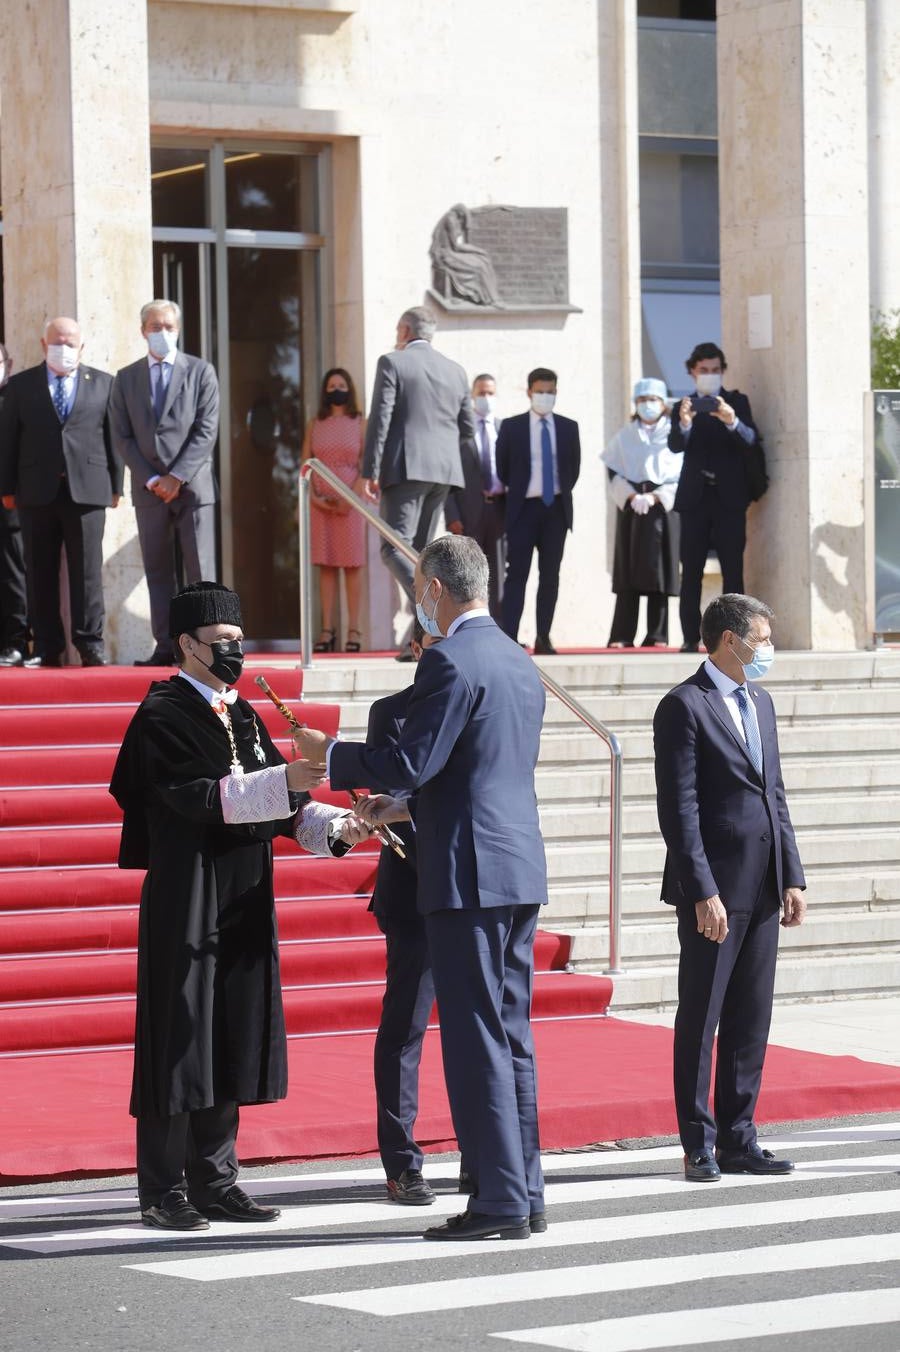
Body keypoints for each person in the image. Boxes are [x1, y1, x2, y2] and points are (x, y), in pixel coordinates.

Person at [294, 535, 549, 1241]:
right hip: (515, 864)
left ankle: (498, 1200)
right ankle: (523, 1189)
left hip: (467, 873)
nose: (417, 603)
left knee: (475, 1040)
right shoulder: (517, 660)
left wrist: (332, 756)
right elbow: (473, 772)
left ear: (435, 589)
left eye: (417, 590)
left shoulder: (449, 659)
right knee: (513, 1036)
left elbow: (411, 756)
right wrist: (400, 806)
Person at [109, 580, 371, 1230]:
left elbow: (283, 807)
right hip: (188, 888)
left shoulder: (246, 715)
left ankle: (217, 1177)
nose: (233, 653)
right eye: (220, 643)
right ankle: (162, 1187)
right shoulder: (163, 713)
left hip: (244, 889)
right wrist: (283, 782)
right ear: (185, 646)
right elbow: (196, 795)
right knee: (181, 1034)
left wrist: (342, 825)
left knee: (231, 1027)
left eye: (238, 641)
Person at [653, 593, 807, 1183]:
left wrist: (792, 874)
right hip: (713, 890)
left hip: (764, 883)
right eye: (761, 639)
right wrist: (702, 890)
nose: (767, 649)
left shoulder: (760, 702)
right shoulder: (684, 706)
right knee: (702, 1016)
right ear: (728, 640)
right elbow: (680, 809)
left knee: (751, 1017)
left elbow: (776, 794)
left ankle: (740, 1137)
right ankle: (699, 1142)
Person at [0, 317, 120, 668]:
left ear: (81, 347)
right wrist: (7, 489)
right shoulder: (21, 386)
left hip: (88, 491)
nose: (64, 348)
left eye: (70, 343)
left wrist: (115, 486)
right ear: (43, 344)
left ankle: (89, 644)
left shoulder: (103, 384)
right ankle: (47, 645)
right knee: (39, 570)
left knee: (87, 572)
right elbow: (9, 442)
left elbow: (112, 439)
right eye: (57, 342)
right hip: (35, 493)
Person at [365, 618, 437, 1206]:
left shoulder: (478, 700)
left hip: (475, 890)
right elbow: (385, 783)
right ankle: (402, 1160)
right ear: (416, 649)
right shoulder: (390, 711)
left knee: (480, 1030)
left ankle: (486, 1156)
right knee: (405, 1029)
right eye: (435, 646)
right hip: (412, 891)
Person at [360, 306, 475, 657]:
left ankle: (438, 611)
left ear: (404, 329)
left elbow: (381, 417)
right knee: (422, 556)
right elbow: (467, 428)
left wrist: (370, 470)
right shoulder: (456, 370)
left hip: (406, 468)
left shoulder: (393, 362)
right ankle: (421, 644)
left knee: (394, 547)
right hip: (444, 471)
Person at [110, 300, 219, 666]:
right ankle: (166, 646)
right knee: (158, 572)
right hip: (149, 488)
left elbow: (207, 429)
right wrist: (154, 478)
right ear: (143, 331)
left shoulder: (201, 371)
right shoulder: (126, 378)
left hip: (193, 488)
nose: (163, 333)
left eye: (169, 326)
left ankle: (207, 648)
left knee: (200, 571)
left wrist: (176, 476)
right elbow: (121, 435)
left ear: (179, 328)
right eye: (155, 327)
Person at [668, 341, 760, 653]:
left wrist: (731, 420)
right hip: (694, 500)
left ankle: (734, 637)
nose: (710, 375)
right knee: (690, 571)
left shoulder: (736, 401)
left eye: (715, 370)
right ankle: (690, 637)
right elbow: (675, 445)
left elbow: (751, 440)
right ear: (693, 372)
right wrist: (685, 423)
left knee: (733, 570)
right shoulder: (683, 406)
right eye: (704, 370)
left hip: (729, 499)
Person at [496, 367, 581, 654]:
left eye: (551, 391)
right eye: (540, 391)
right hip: (523, 509)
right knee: (517, 574)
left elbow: (573, 470)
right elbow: (503, 469)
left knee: (550, 576)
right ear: (529, 391)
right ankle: (508, 636)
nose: (545, 396)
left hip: (556, 509)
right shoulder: (512, 426)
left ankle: (543, 636)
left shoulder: (569, 427)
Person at [601, 377, 681, 648]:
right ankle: (622, 634)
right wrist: (632, 496)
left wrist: (658, 496)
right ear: (636, 403)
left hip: (662, 508)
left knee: (659, 572)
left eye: (654, 400)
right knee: (628, 570)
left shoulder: (674, 434)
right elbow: (612, 470)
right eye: (643, 400)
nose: (648, 405)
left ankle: (657, 634)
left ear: (663, 403)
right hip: (632, 509)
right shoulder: (625, 436)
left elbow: (681, 473)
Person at [300, 367, 367, 653]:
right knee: (326, 565)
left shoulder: (360, 422)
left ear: (349, 388)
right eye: (331, 385)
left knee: (351, 565)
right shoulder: (316, 422)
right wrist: (314, 497)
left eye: (341, 384)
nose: (336, 389)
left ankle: (354, 629)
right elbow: (306, 461)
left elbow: (366, 464)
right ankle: (327, 629)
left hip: (351, 505)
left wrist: (349, 497)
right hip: (320, 505)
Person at [445, 373, 506, 620]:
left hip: (500, 510)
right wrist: (452, 515)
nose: (486, 398)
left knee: (499, 574)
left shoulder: (504, 429)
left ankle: (501, 628)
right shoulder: (460, 433)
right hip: (469, 514)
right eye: (481, 393)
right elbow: (448, 478)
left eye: (490, 393)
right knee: (469, 575)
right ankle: (471, 625)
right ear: (472, 396)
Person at [0, 343, 31, 667]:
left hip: (9, 503)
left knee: (12, 575)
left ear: (7, 364)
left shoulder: (18, 400)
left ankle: (16, 641)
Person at [429, 204, 500, 307]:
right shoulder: (451, 220)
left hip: (450, 252)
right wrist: (479, 250)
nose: (464, 224)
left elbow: (477, 210)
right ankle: (491, 300)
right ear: (462, 215)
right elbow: (456, 246)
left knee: (484, 260)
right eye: (465, 220)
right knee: (480, 266)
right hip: (446, 255)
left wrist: (497, 206)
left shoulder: (455, 214)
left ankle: (492, 296)